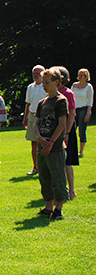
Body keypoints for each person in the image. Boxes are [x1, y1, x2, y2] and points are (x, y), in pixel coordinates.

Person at [34, 68, 68, 220]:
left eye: (47, 83)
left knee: (57, 177)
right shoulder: (42, 103)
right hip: (42, 145)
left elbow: (62, 124)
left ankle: (58, 209)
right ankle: (48, 208)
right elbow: (36, 123)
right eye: (43, 83)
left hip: (55, 147)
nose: (44, 85)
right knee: (44, 177)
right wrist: (40, 138)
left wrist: (51, 142)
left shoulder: (61, 101)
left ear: (57, 82)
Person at [55, 66, 79, 200]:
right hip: (55, 129)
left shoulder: (68, 93)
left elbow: (72, 114)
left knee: (67, 161)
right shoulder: (51, 93)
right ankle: (58, 190)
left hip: (66, 130)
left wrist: (67, 133)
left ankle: (71, 191)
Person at [23, 65, 47, 176]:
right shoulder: (30, 87)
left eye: (38, 73)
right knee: (33, 143)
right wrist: (25, 118)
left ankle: (45, 167)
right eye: (34, 73)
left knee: (44, 142)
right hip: (32, 115)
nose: (35, 75)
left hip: (44, 116)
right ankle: (35, 166)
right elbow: (28, 103)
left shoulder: (46, 87)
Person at [72, 68, 93, 156]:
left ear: (85, 77)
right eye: (79, 75)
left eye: (81, 75)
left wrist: (88, 113)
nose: (79, 77)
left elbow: (90, 100)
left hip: (83, 109)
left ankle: (81, 151)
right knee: (71, 129)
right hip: (74, 109)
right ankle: (71, 149)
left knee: (81, 131)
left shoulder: (88, 87)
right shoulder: (74, 85)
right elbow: (71, 97)